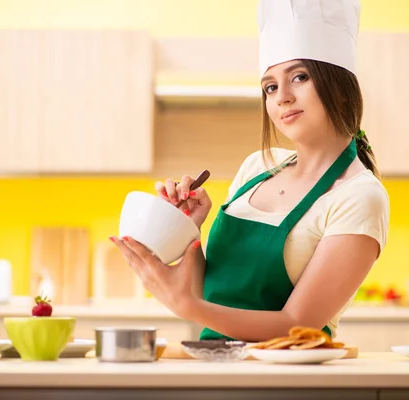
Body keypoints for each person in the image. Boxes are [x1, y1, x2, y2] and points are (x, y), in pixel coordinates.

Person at [110, 0, 390, 342]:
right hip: (216, 365)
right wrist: (185, 230)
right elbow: (210, 292)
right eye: (270, 87)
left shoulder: (359, 195)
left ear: (342, 91)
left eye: (299, 77)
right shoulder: (257, 166)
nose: (282, 97)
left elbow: (298, 324)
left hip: (290, 379)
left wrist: (183, 305)